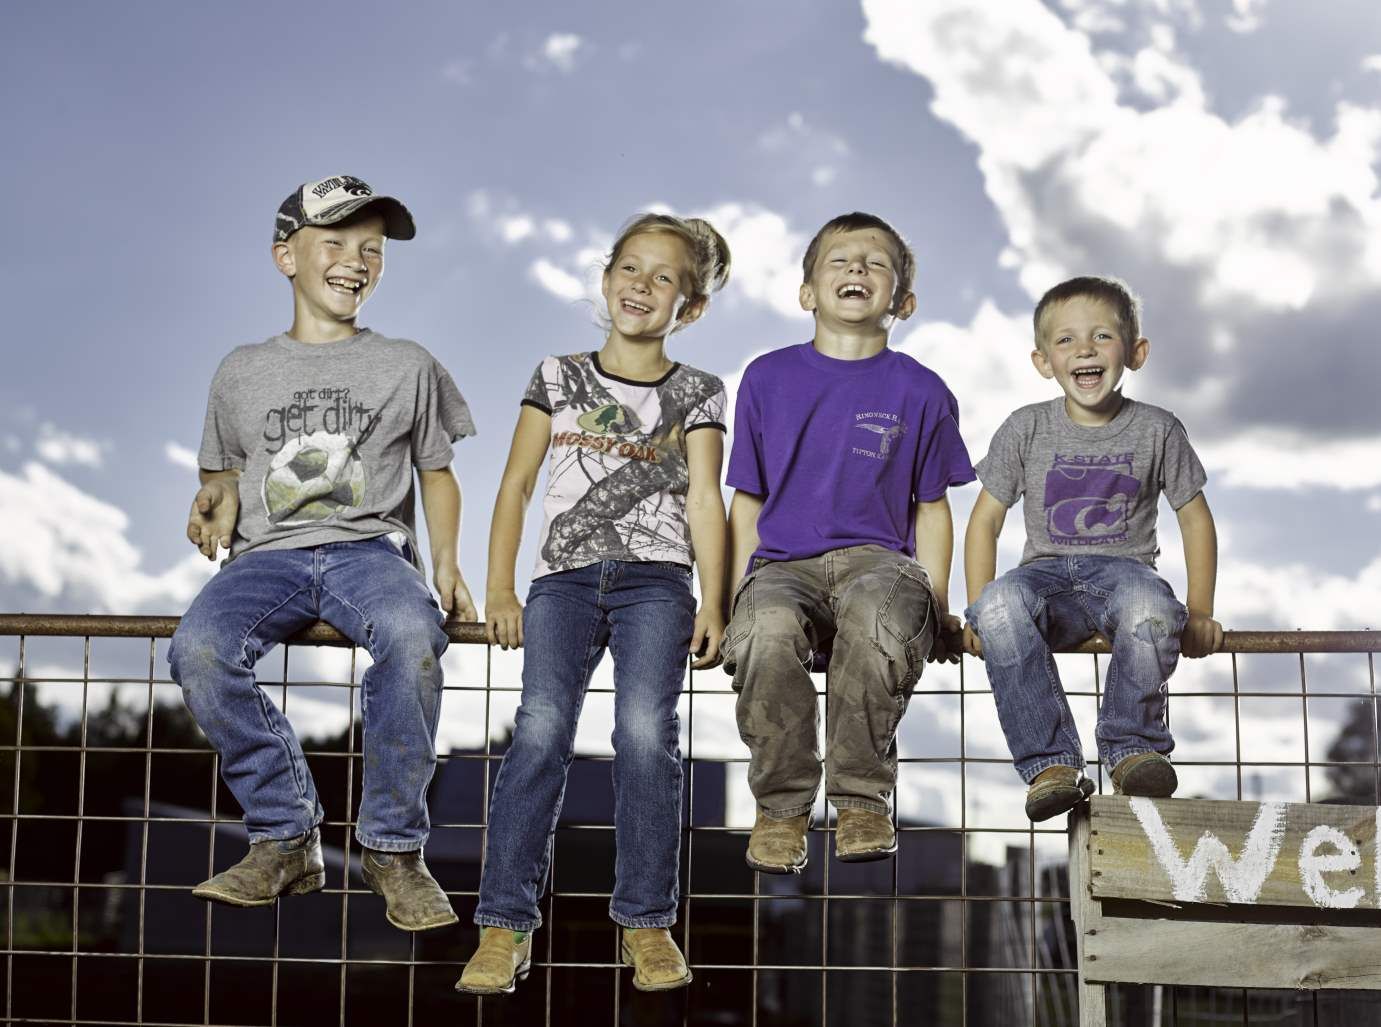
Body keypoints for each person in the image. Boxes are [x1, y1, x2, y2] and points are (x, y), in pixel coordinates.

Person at [169, 175, 478, 931]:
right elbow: (223, 470)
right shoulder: (240, 368)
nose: (355, 260)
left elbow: (437, 473)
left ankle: (393, 850)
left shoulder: (407, 363)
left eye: (370, 248)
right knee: (198, 648)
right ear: (286, 256)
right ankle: (284, 834)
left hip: (368, 550)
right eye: (334, 242)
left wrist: (445, 566)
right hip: (264, 557)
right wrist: (215, 497)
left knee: (413, 639)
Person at [456, 213, 731, 995]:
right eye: (629, 268)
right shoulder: (556, 374)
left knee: (645, 732)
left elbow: (705, 500)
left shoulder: (697, 391)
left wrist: (716, 599)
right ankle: (503, 925)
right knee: (540, 730)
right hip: (561, 582)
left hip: (656, 581)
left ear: (691, 306)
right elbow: (512, 485)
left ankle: (645, 923)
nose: (640, 286)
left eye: (663, 278)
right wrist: (502, 584)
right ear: (606, 276)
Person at [721, 212, 975, 875]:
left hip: (880, 563)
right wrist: (720, 605)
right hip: (782, 565)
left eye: (875, 262)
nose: (856, 268)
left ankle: (862, 798)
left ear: (903, 301)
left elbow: (932, 507)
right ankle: (781, 808)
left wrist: (939, 607)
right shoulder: (765, 379)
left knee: (881, 620)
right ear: (806, 292)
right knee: (764, 632)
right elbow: (744, 500)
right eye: (838, 260)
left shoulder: (920, 389)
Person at [962, 275, 1224, 822]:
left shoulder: (1158, 429)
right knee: (998, 606)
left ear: (1135, 352)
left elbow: (1195, 518)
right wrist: (976, 611)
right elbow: (985, 520)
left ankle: (1132, 747)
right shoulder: (1026, 427)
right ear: (1042, 361)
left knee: (1154, 609)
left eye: (1102, 336)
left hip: (1125, 574)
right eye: (1066, 340)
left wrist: (1200, 611)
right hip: (1044, 578)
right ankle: (1050, 766)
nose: (1084, 349)